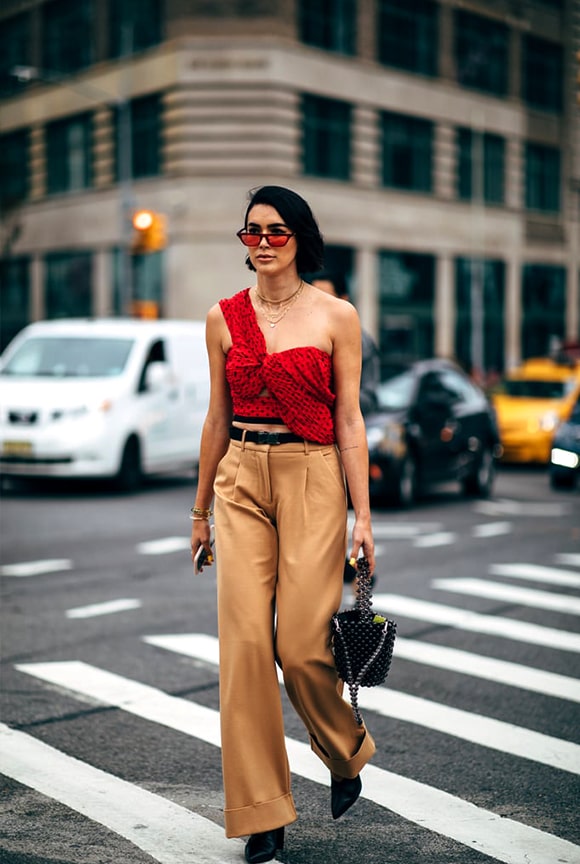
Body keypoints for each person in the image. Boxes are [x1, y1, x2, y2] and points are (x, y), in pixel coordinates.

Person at [190, 185, 376, 864]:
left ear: (301, 237)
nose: (263, 242)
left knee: (299, 646)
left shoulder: (336, 316)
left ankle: (345, 751)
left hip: (314, 477)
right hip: (242, 475)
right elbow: (214, 419)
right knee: (242, 648)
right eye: (252, 232)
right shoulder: (221, 318)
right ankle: (262, 814)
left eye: (276, 231)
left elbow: (350, 423)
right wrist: (200, 509)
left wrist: (363, 518)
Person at [310, 270, 380, 416]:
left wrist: (330, 393)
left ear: (343, 299)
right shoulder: (299, 332)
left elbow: (369, 399)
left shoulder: (361, 342)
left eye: (326, 299)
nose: (317, 306)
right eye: (313, 299)